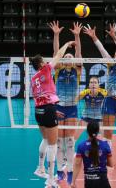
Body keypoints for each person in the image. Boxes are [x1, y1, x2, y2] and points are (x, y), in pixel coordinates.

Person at [83, 23, 116, 181]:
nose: (115, 54)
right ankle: (107, 163)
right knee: (107, 135)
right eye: (114, 52)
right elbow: (102, 51)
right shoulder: (110, 64)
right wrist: (94, 38)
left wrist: (115, 38)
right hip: (110, 102)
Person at [30, 41, 76, 187]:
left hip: (38, 110)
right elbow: (59, 55)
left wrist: (51, 108)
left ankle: (40, 167)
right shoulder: (46, 70)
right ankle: (50, 179)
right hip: (48, 109)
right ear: (41, 64)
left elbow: (39, 97)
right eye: (44, 60)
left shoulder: (33, 78)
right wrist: (67, 43)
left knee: (45, 139)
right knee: (52, 144)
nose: (46, 61)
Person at [48, 20, 83, 185]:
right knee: (59, 140)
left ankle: (69, 170)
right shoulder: (58, 69)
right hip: (58, 107)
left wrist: (77, 38)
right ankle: (59, 170)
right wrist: (56, 35)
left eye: (71, 56)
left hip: (72, 109)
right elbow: (56, 53)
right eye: (66, 56)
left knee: (70, 141)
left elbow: (79, 56)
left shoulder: (78, 70)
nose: (68, 57)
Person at [71, 121, 113, 188]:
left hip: (89, 181)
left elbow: (77, 164)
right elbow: (111, 164)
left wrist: (73, 182)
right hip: (103, 180)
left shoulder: (81, 146)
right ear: (98, 131)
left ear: (87, 131)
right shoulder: (105, 145)